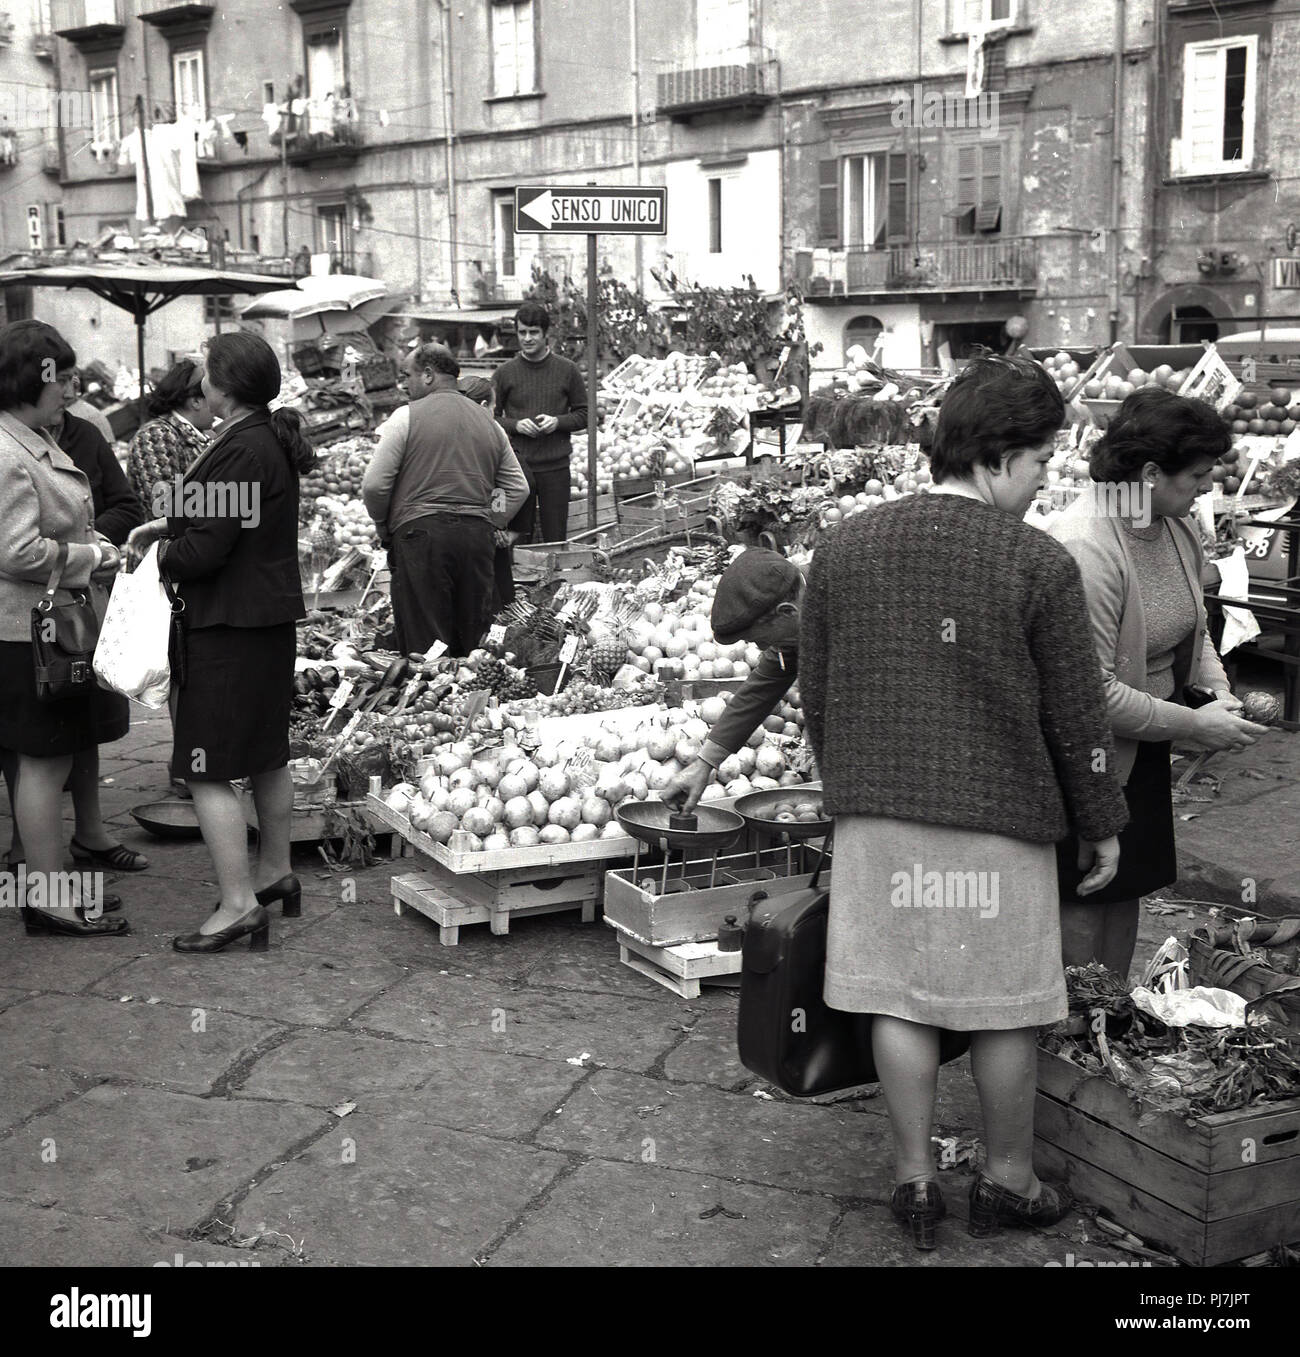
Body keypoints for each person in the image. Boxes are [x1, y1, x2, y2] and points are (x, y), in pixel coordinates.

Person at [799, 355, 1128, 1250]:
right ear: (996, 459)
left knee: (898, 996)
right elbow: (1076, 716)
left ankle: (914, 1186)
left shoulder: (844, 546)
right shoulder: (1035, 562)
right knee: (1005, 1003)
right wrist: (1102, 820)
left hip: (877, 815)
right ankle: (1007, 1182)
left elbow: (816, 690)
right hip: (996, 819)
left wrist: (852, 785)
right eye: (1039, 464)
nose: (1042, 481)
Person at [1049, 388, 1268, 979]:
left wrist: (1215, 690)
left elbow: (1191, 631)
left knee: (1128, 884)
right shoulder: (1084, 547)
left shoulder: (1174, 527)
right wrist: (1195, 724)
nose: (1206, 487)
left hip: (1145, 741)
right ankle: (1062, 1033)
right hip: (1085, 755)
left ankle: (1107, 1015)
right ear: (1150, 473)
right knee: (1083, 894)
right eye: (1197, 475)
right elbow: (1087, 692)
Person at [125, 331, 311, 953]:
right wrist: (167, 519)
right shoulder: (258, 438)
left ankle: (237, 906)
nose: (200, 380)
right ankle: (274, 872)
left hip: (228, 628)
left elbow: (207, 549)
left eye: (206, 372)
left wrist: (158, 554)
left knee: (205, 769)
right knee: (264, 754)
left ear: (223, 386)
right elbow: (221, 510)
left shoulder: (243, 446)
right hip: (263, 624)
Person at [1, 321, 147, 885]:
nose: (68, 390)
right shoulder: (10, 451)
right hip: (26, 632)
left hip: (42, 627)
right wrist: (92, 557)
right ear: (25, 381)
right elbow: (16, 552)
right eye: (58, 379)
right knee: (41, 764)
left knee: (51, 758)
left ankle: (50, 887)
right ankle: (48, 896)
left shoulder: (31, 440)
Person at [362, 343, 529, 656]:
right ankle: (471, 700)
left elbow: (374, 486)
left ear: (427, 375)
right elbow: (516, 487)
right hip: (476, 540)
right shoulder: (489, 423)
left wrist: (385, 527)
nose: (404, 384)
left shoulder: (405, 417)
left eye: (407, 375)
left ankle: (431, 701)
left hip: (421, 538)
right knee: (473, 642)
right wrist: (491, 520)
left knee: (427, 647)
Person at [664, 548, 804, 813]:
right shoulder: (793, 622)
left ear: (786, 612)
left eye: (758, 639)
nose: (763, 648)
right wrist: (704, 764)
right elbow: (760, 690)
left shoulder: (846, 609)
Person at [492, 302, 588, 544]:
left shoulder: (568, 370)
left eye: (533, 332)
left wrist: (558, 422)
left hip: (555, 468)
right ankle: (518, 583)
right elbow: (489, 419)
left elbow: (584, 414)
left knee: (555, 536)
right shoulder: (504, 373)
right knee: (516, 538)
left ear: (546, 334)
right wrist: (515, 425)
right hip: (515, 469)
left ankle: (555, 583)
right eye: (522, 332)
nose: (527, 338)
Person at [459, 373, 519, 612]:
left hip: (448, 531)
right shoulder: (492, 431)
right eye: (495, 406)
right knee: (494, 597)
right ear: (484, 406)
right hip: (484, 530)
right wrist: (497, 521)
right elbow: (507, 486)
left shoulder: (441, 429)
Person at [126, 358, 213, 513]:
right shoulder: (156, 435)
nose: (218, 405)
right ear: (196, 402)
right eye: (213, 396)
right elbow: (164, 505)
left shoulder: (200, 435)